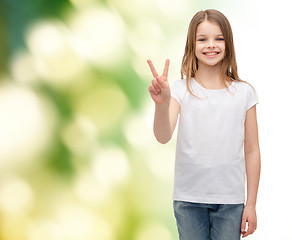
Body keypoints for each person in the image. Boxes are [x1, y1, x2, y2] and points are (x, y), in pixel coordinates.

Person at [147, 9, 261, 240]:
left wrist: (251, 204)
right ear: (192, 44)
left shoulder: (244, 93)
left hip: (231, 202)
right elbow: (163, 135)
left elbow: (252, 150)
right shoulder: (180, 90)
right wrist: (162, 103)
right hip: (189, 200)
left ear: (228, 43)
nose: (211, 45)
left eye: (219, 38)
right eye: (203, 39)